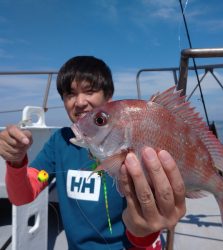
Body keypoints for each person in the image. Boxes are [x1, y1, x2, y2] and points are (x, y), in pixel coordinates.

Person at [0, 56, 186, 249]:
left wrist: (144, 230)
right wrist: (16, 162)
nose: (79, 102)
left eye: (90, 91)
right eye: (70, 94)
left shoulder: (132, 144)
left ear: (109, 96)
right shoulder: (59, 142)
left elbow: (146, 225)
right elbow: (25, 192)